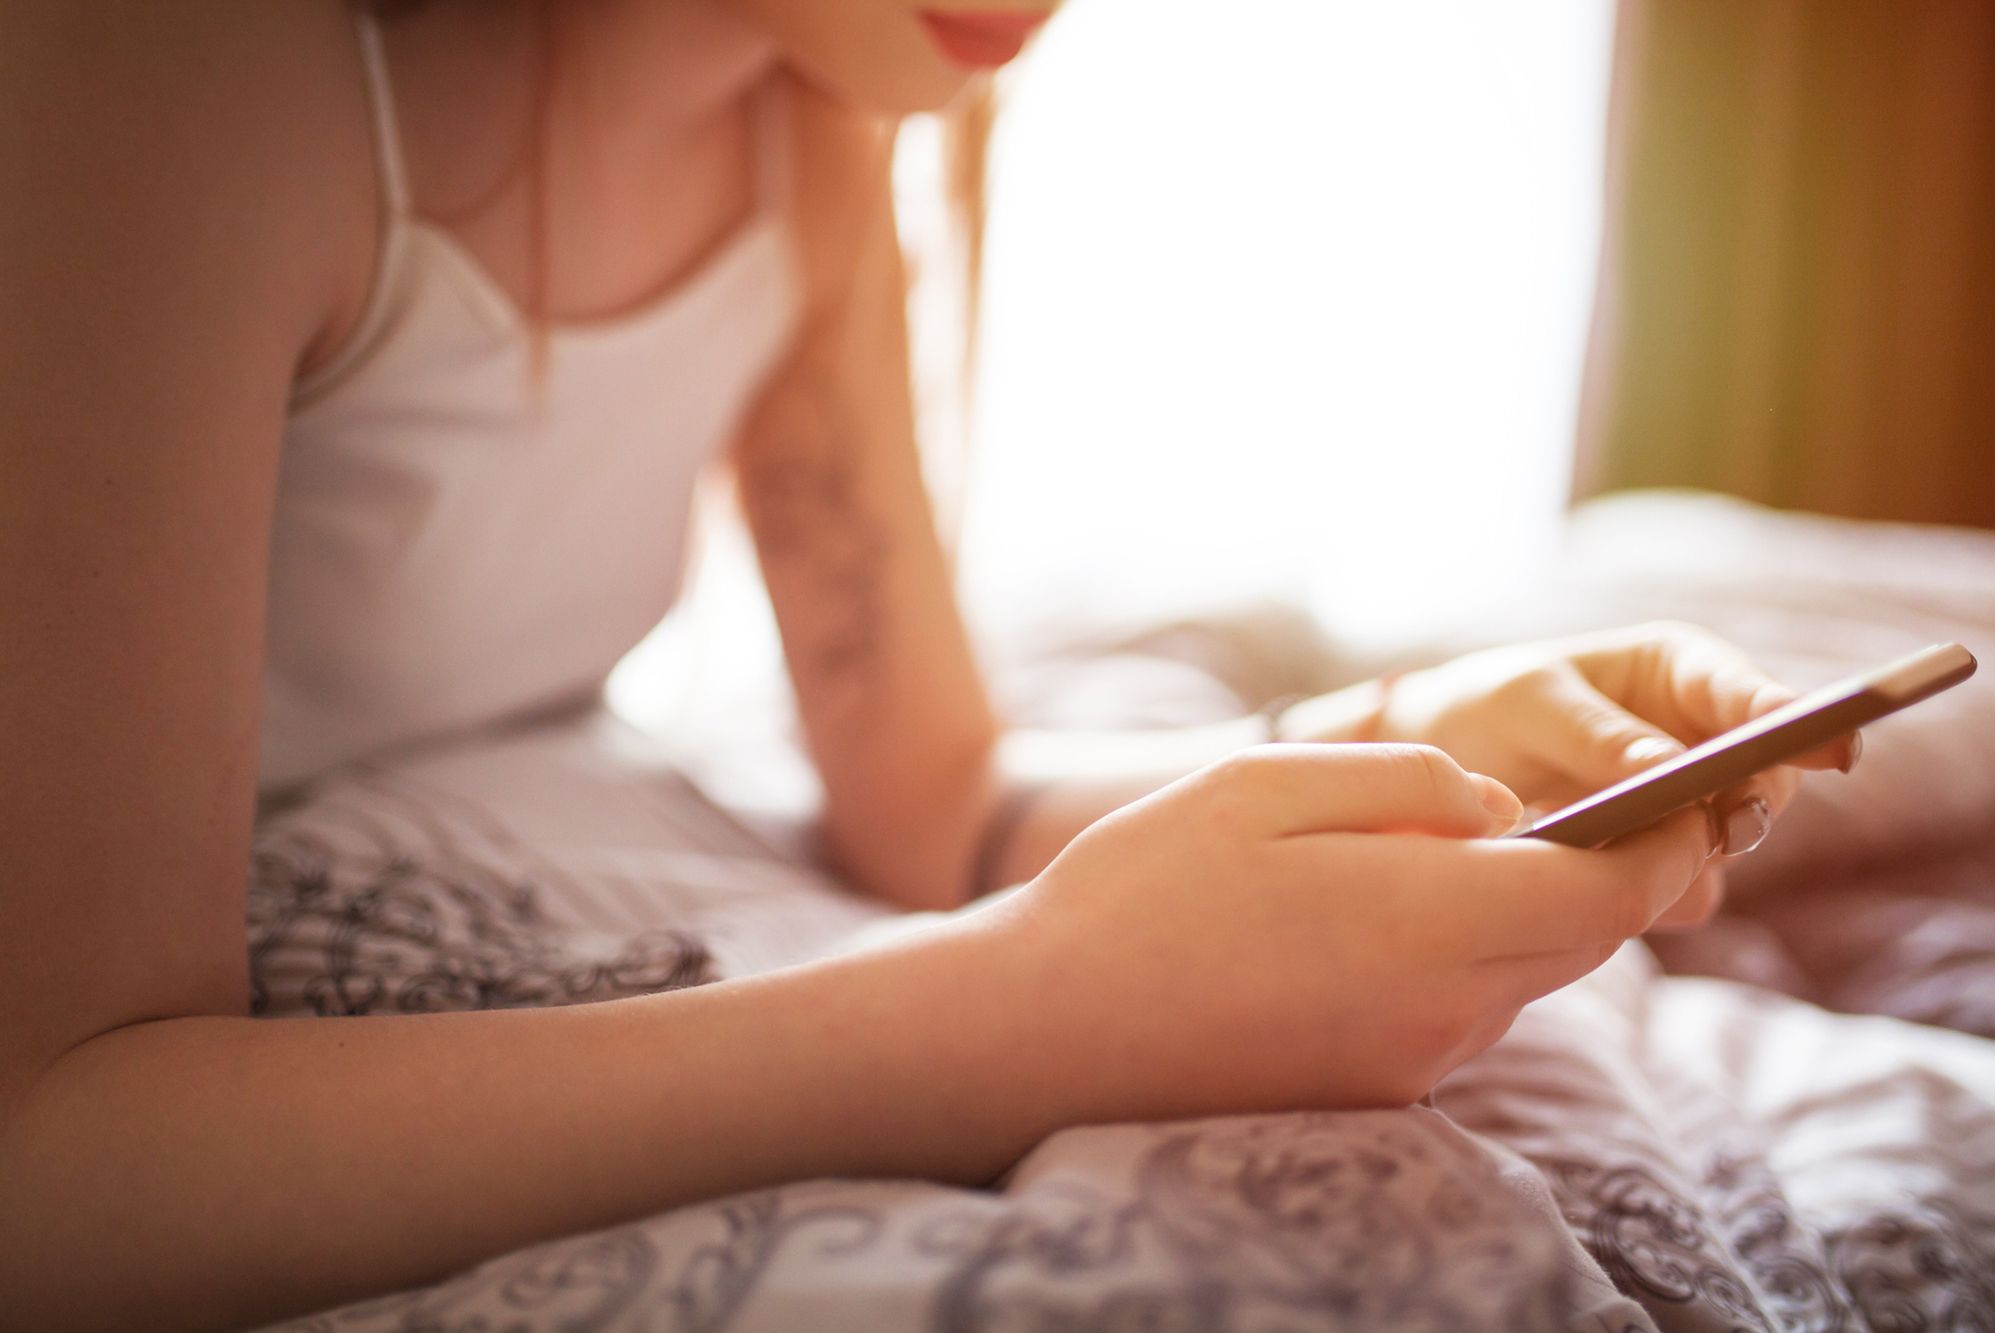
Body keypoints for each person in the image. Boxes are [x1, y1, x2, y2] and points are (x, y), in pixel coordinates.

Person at [0, 1, 1854, 1326]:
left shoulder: (806, 136)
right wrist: (1029, 1013)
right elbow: (53, 1169)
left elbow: (938, 799)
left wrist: (1402, 743)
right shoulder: (184, 74)